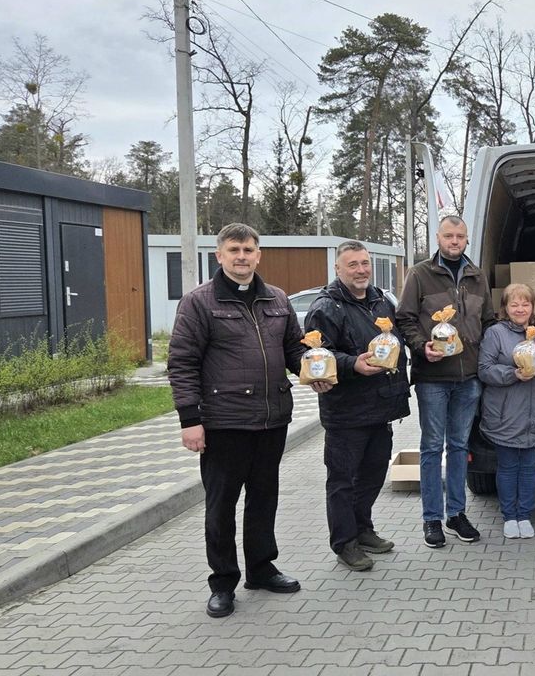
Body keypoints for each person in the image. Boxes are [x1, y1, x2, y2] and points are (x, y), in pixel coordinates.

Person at [168, 223, 322, 619]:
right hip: (224, 423)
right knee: (221, 506)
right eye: (234, 250)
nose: (242, 256)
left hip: (272, 419)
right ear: (219, 255)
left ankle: (261, 568)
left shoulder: (277, 298)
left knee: (263, 499)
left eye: (248, 250)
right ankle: (223, 582)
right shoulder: (199, 303)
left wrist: (314, 372)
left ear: (258, 255)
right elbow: (182, 363)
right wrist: (189, 419)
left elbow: (294, 349)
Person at [303, 241, 411, 572]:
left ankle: (363, 529)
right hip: (346, 412)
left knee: (373, 473)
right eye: (353, 265)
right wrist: (353, 364)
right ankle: (345, 543)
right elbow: (317, 356)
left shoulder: (381, 301)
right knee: (343, 480)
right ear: (338, 269)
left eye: (365, 263)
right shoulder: (326, 308)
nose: (361, 270)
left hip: (381, 407)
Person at [396, 215, 496, 549]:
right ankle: (431, 519)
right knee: (431, 447)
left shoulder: (477, 276)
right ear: (438, 238)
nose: (455, 241)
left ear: (467, 240)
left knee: (459, 447)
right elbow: (404, 318)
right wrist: (421, 347)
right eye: (449, 236)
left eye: (460, 236)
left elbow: (489, 321)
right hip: (433, 378)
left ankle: (456, 514)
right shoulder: (420, 274)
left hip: (469, 378)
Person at [477, 283, 535, 540]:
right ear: (505, 308)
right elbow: (484, 369)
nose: (520, 309)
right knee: (507, 467)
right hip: (505, 414)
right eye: (514, 304)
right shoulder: (495, 334)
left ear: (532, 306)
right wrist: (513, 374)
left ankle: (525, 515)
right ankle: (509, 516)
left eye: (525, 304)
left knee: (530, 467)